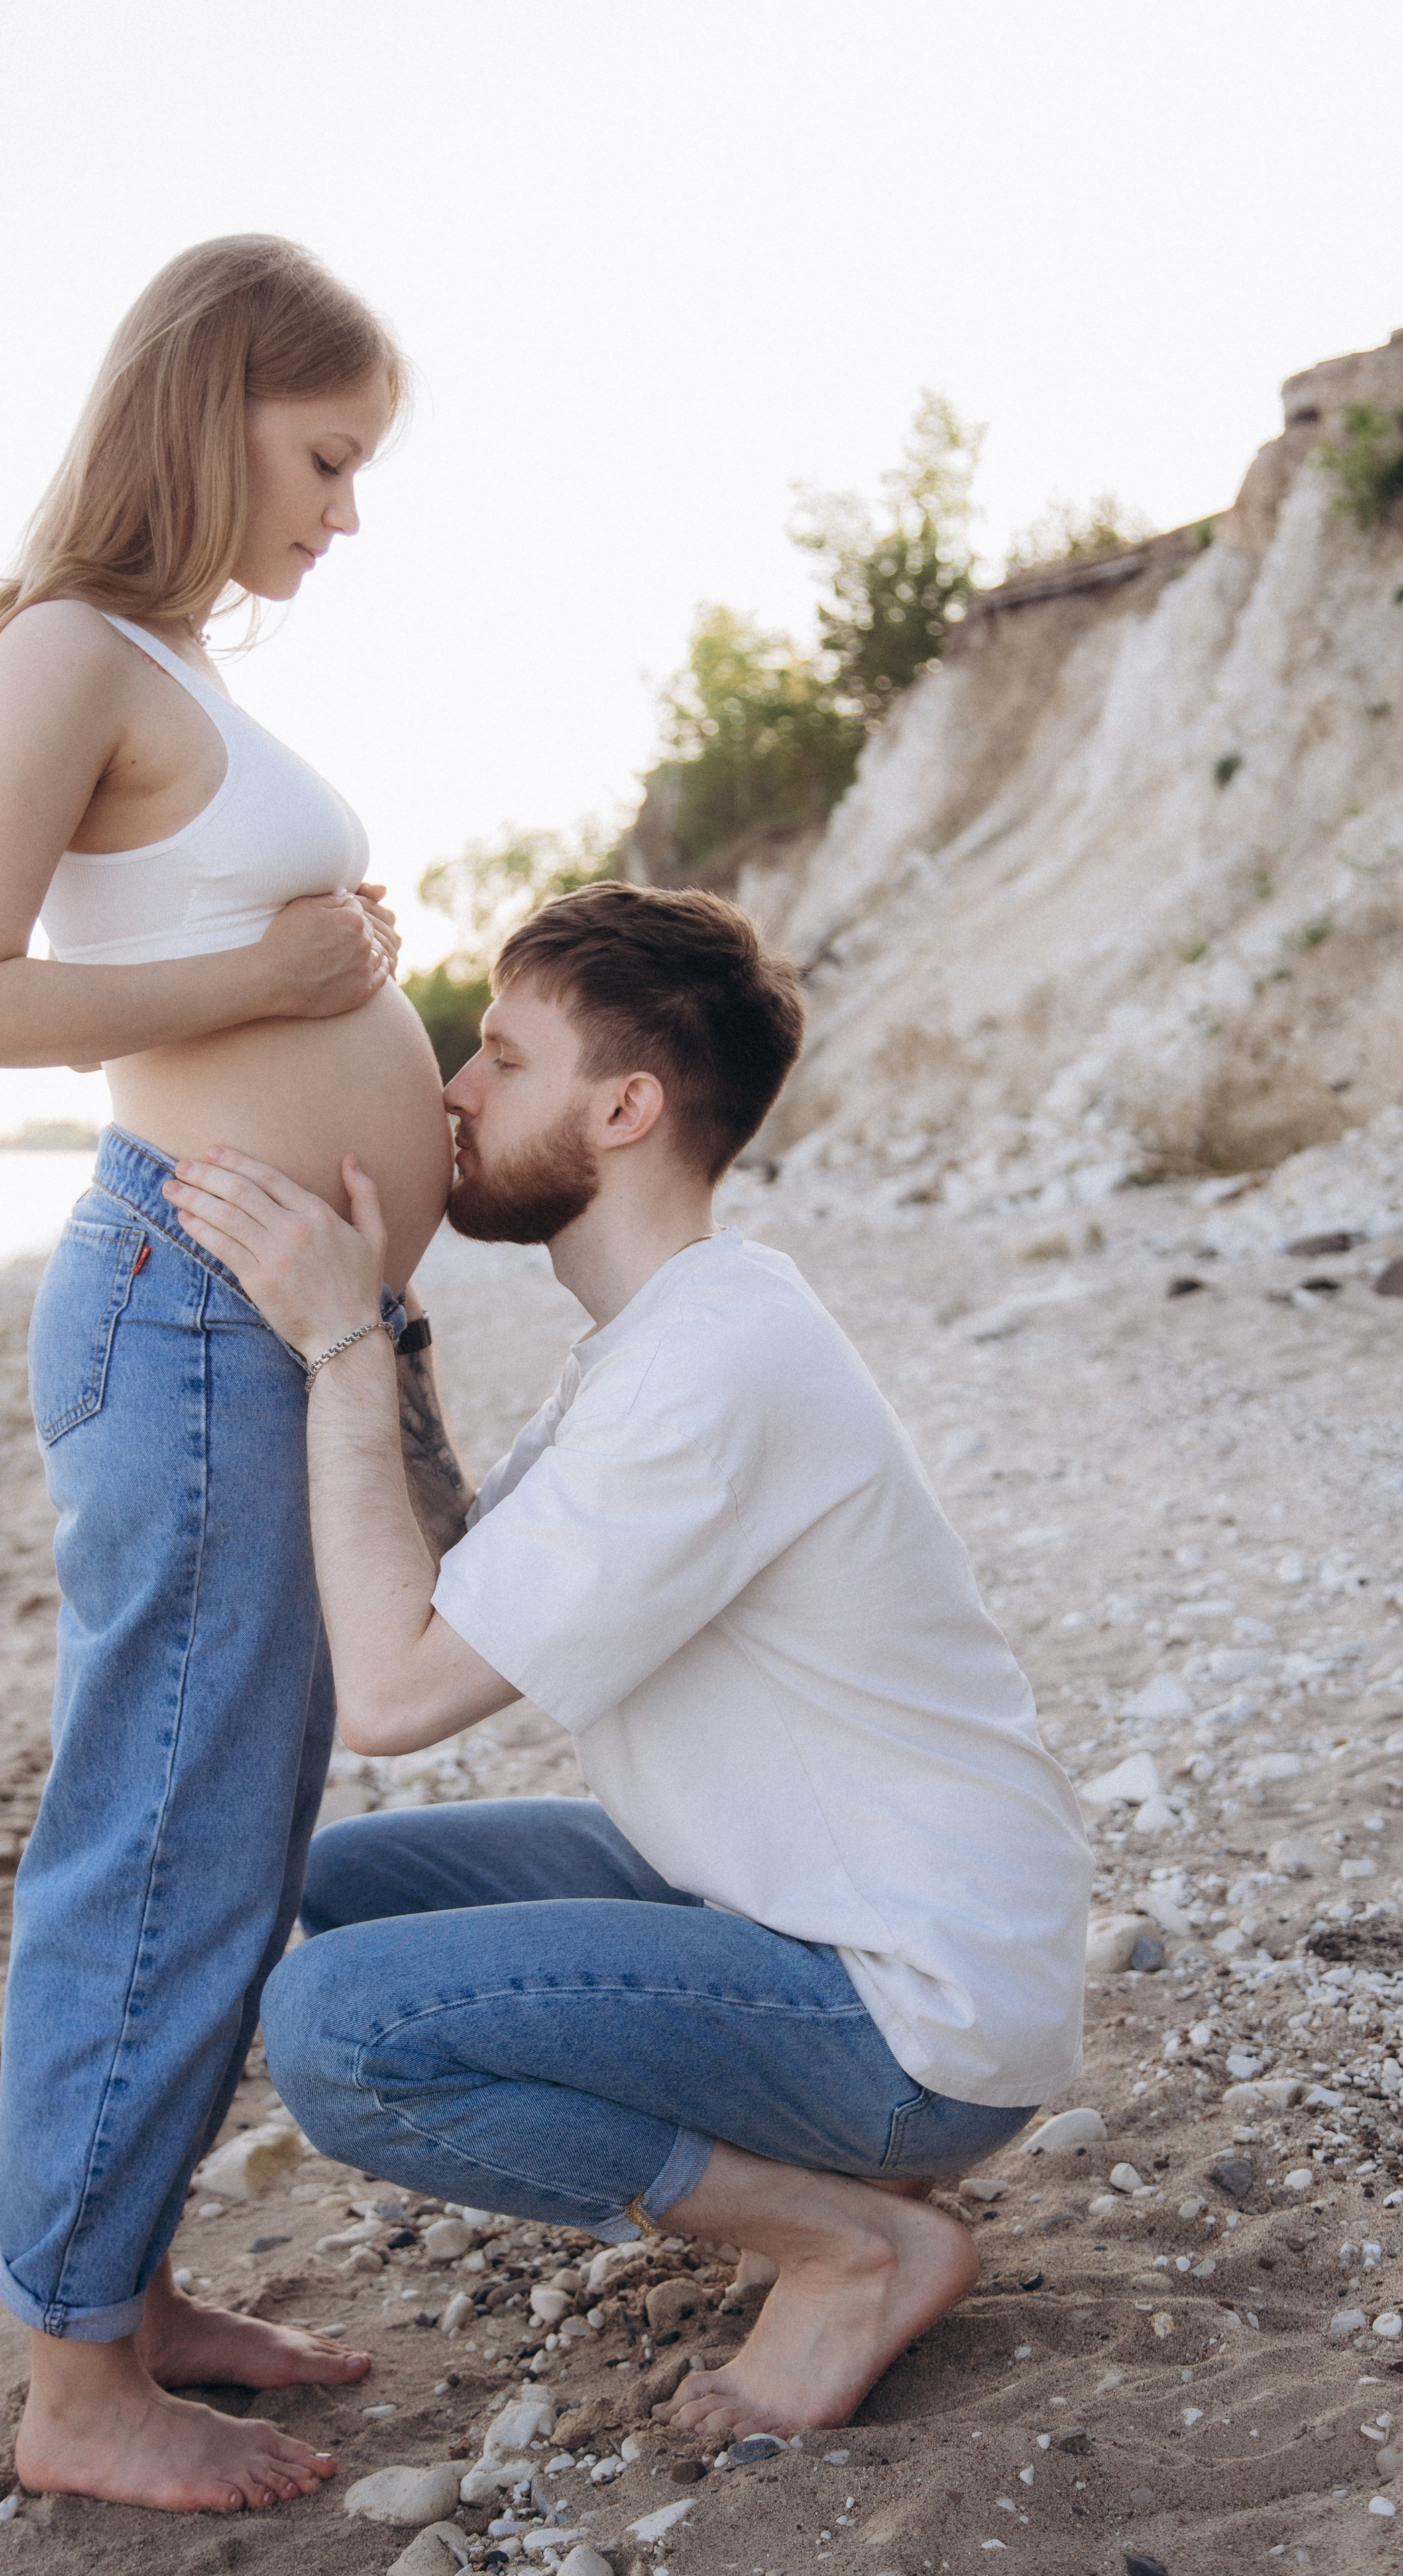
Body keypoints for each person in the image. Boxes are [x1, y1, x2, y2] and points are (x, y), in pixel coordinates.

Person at [164, 879, 1092, 2439]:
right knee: (341, 1885)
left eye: (501, 1060)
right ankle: (840, 2179)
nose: (453, 1093)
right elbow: (464, 1573)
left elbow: (397, 1692)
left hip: (909, 2010)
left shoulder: (708, 1368)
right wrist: (382, 1328)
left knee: (341, 2033)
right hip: (789, 1896)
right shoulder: (671, 1336)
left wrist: (326, 1343)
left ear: (625, 1107)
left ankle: (849, 2236)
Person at [0, 237, 469, 2514]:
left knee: (219, 1819)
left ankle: (118, 2295)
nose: (346, 509)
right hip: (188, 1307)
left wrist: (317, 976)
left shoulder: (163, 666)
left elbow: (204, 960)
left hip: (258, 1315)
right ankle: (73, 2384)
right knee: (161, 1827)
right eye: (327, 455)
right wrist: (267, 971)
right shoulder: (67, 649)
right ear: (214, 401)